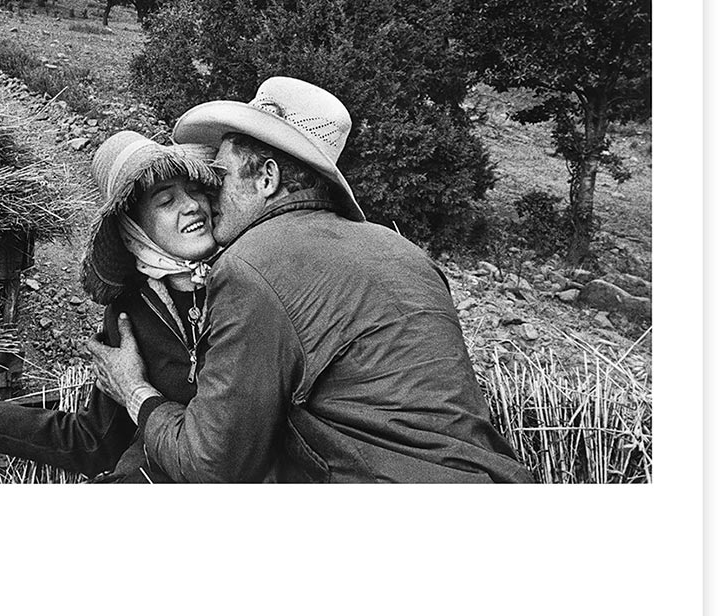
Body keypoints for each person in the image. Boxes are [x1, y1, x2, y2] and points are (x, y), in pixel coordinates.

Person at [85, 76, 533, 483]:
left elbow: (212, 465)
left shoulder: (250, 266)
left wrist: (134, 391)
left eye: (221, 177)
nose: (209, 193)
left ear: (266, 178)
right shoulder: (406, 253)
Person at [0, 130, 220, 482]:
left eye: (195, 189)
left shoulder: (247, 283)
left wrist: (136, 390)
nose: (192, 205)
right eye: (166, 201)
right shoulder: (130, 315)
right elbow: (95, 442)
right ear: (134, 227)